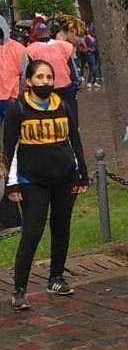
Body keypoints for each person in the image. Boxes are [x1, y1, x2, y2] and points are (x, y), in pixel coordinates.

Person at [5, 60, 89, 310]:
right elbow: (8, 151)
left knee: (61, 226)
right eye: (39, 77)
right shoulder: (18, 110)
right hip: (32, 180)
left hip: (64, 177)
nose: (45, 82)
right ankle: (19, 289)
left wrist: (81, 174)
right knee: (32, 231)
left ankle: (56, 277)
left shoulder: (62, 105)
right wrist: (12, 186)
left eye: (49, 77)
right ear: (29, 81)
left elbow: (75, 139)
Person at [25, 22, 79, 122]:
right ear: (48, 32)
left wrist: (30, 88)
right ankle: (73, 134)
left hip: (44, 88)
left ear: (35, 34)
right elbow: (72, 67)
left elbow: (29, 71)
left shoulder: (30, 50)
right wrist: (75, 82)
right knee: (71, 116)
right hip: (66, 85)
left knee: (49, 117)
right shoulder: (63, 46)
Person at [0, 16, 26, 124]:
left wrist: (19, 93)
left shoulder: (18, 48)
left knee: (12, 130)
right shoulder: (19, 48)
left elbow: (25, 73)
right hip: (11, 96)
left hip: (10, 96)